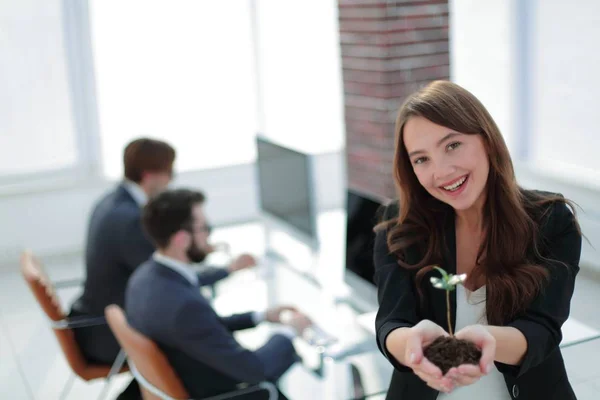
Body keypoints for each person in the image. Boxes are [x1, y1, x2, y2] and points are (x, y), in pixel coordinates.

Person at [374, 81, 582, 400]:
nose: (441, 171)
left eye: (452, 145)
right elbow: (391, 322)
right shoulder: (398, 227)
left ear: (485, 139)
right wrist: (412, 345)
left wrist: (486, 341)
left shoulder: (550, 220)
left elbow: (543, 329)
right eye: (421, 159)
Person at [68, 138, 256, 398]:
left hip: (92, 318)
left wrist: (193, 245)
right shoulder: (131, 220)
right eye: (169, 173)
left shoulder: (111, 201)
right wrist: (228, 269)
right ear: (149, 175)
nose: (171, 181)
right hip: (108, 336)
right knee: (204, 349)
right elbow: (169, 277)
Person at [125, 188, 312, 399]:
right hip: (221, 391)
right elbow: (255, 370)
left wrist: (261, 316)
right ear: (181, 239)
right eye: (204, 227)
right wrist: (289, 331)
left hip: (189, 373)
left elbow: (201, 328)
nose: (209, 235)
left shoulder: (145, 277)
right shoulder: (183, 307)